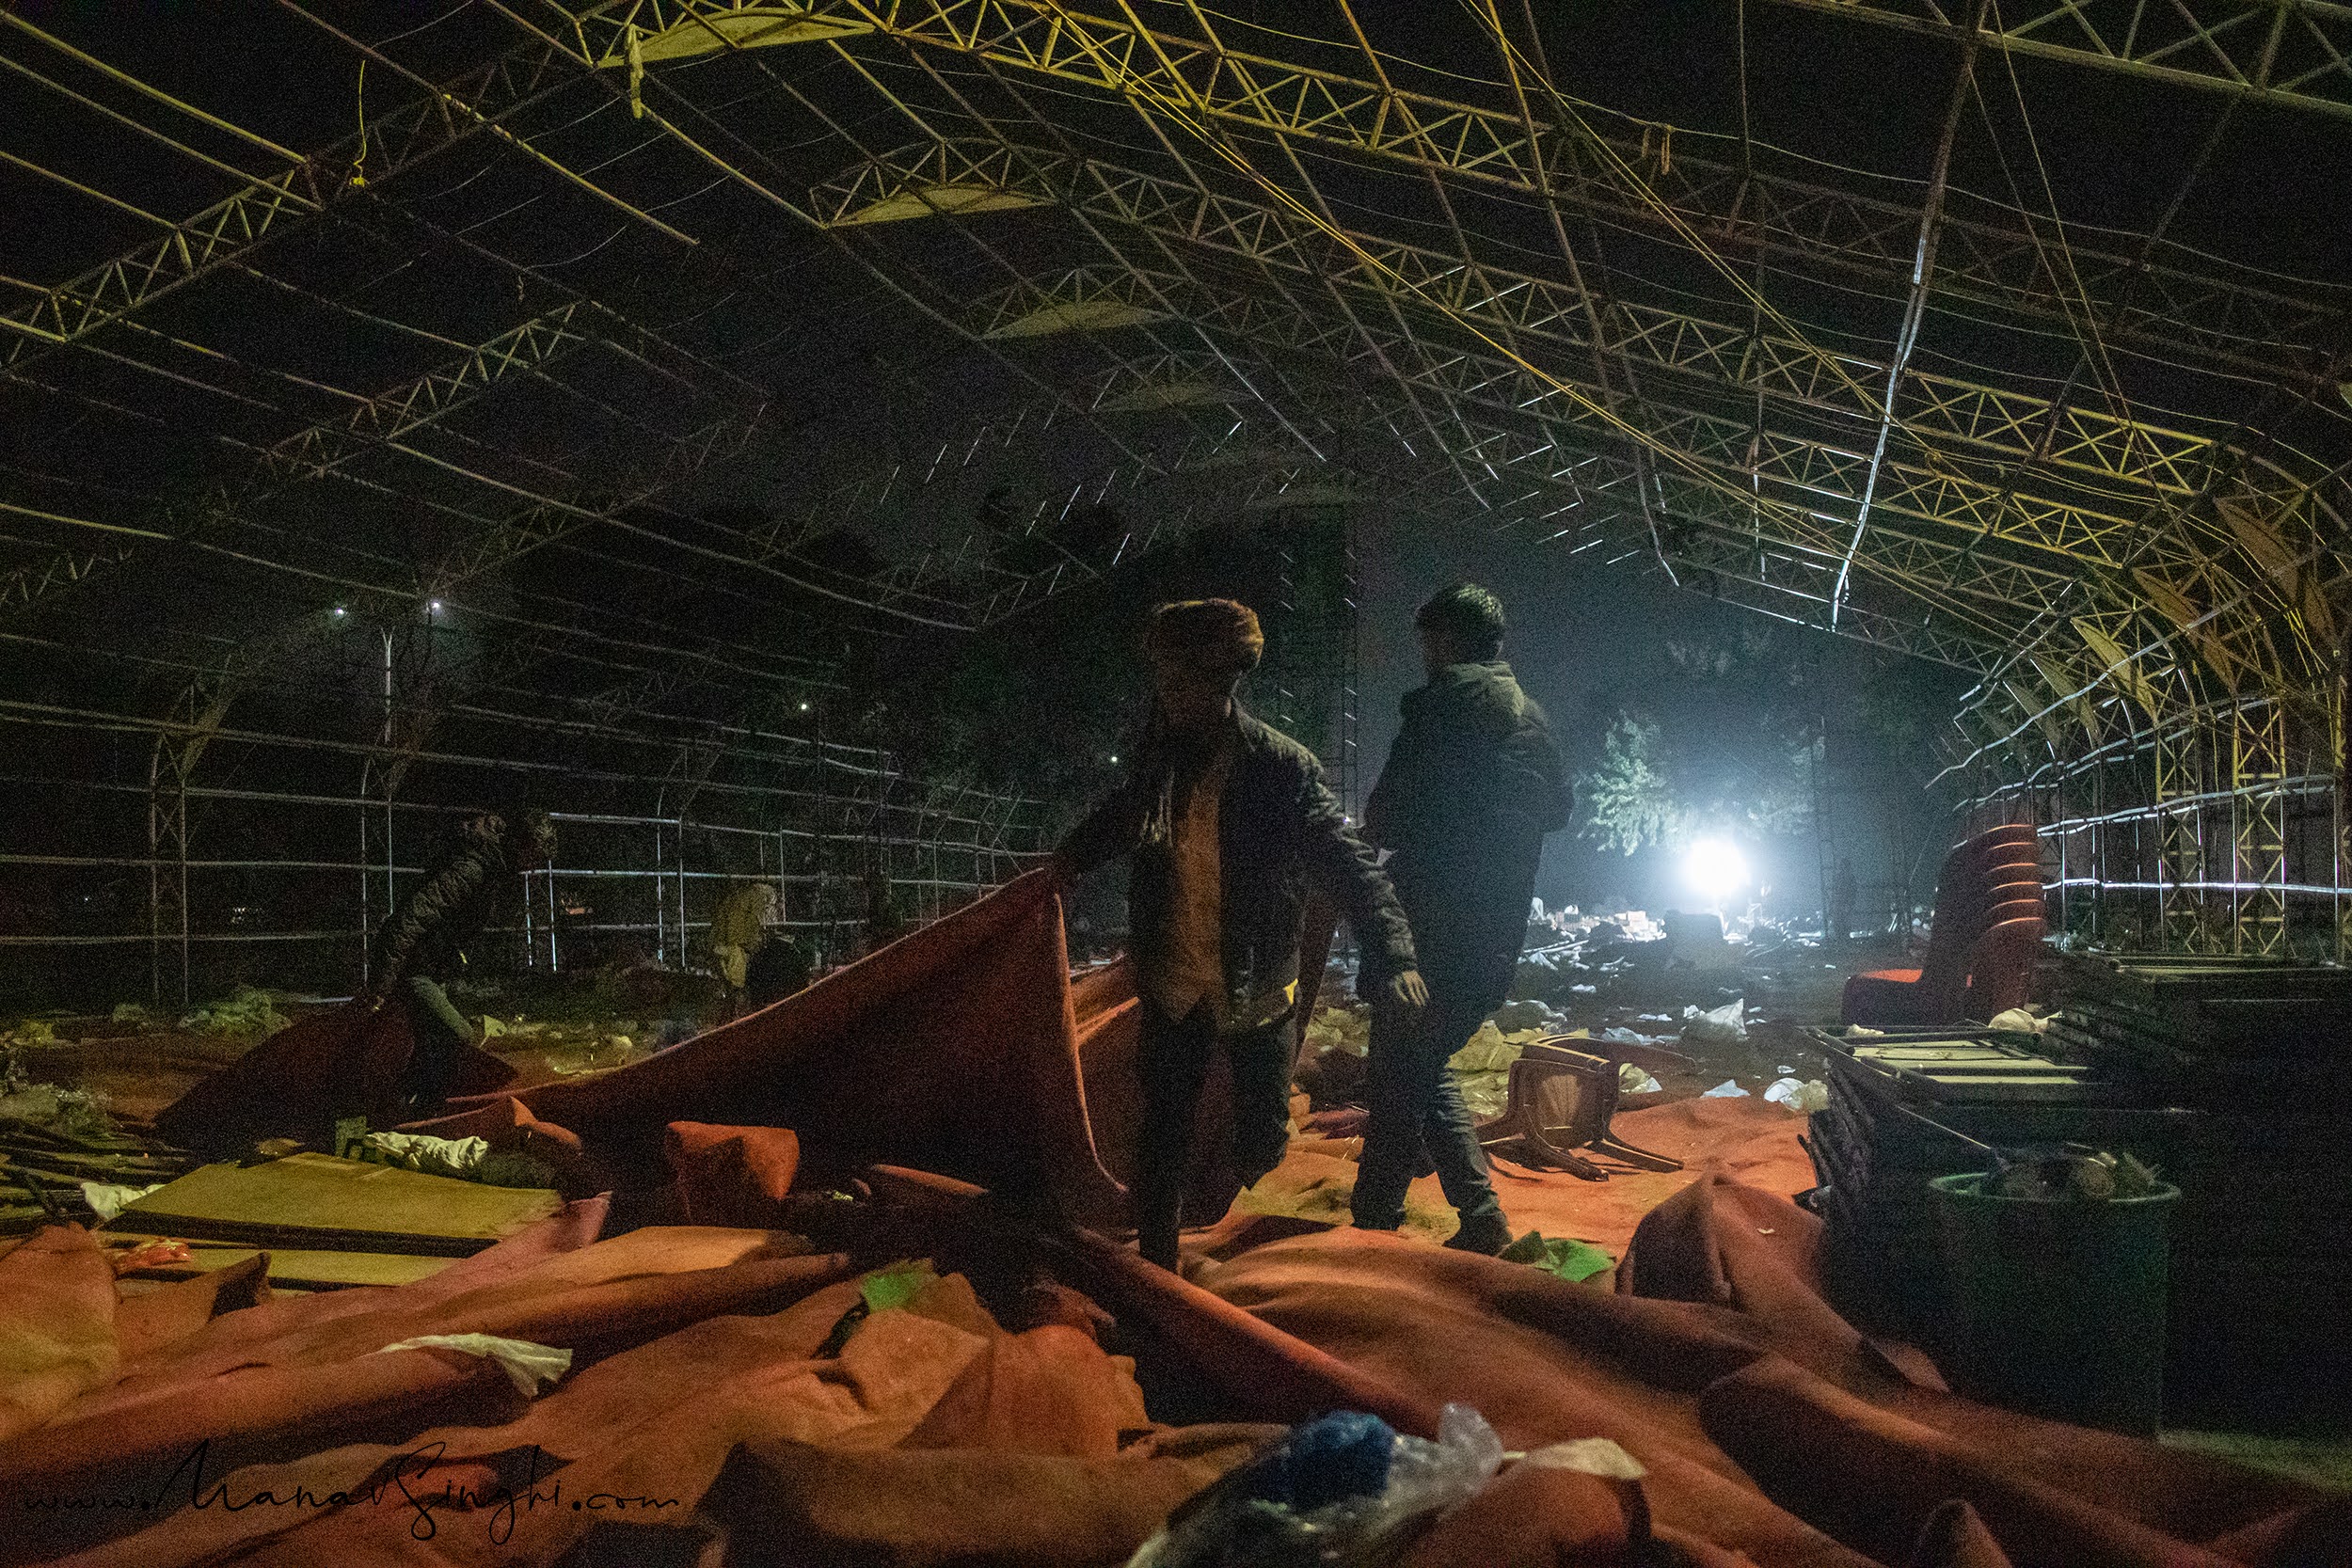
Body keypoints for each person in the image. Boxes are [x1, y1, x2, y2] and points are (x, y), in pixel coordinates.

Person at [1053, 599, 1427, 1271]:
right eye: (1161, 683)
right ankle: (1159, 1270)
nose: (1166, 697)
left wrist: (1394, 951)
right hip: (1175, 984)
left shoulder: (1281, 769)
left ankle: (1246, 1227)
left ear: (1221, 685)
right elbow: (1120, 818)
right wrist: (1065, 862)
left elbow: (1347, 864)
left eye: (1179, 684)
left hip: (1255, 989)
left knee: (1261, 1140)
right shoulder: (1159, 761)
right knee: (1161, 1132)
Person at [1352, 583, 1571, 1255]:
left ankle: (1372, 1234)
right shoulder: (1532, 720)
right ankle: (1480, 1218)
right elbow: (1557, 811)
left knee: (1396, 1079)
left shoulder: (1438, 712)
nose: (1422, 655)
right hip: (1492, 940)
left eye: (1427, 641)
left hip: (1426, 934)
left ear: (1446, 641)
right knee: (1424, 1061)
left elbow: (1384, 817)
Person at [364, 805, 556, 1118]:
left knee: (432, 1047)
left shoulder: (490, 865)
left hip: (427, 968)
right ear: (520, 845)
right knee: (460, 1039)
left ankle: (406, 1112)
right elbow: (408, 920)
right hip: (413, 971)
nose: (531, 867)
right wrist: (381, 988)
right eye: (532, 857)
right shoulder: (473, 868)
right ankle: (422, 1112)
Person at [707, 880, 779, 1019]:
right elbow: (754, 923)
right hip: (740, 948)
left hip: (733, 947)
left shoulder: (732, 900)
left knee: (733, 980)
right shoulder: (755, 896)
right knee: (736, 980)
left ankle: (732, 1009)